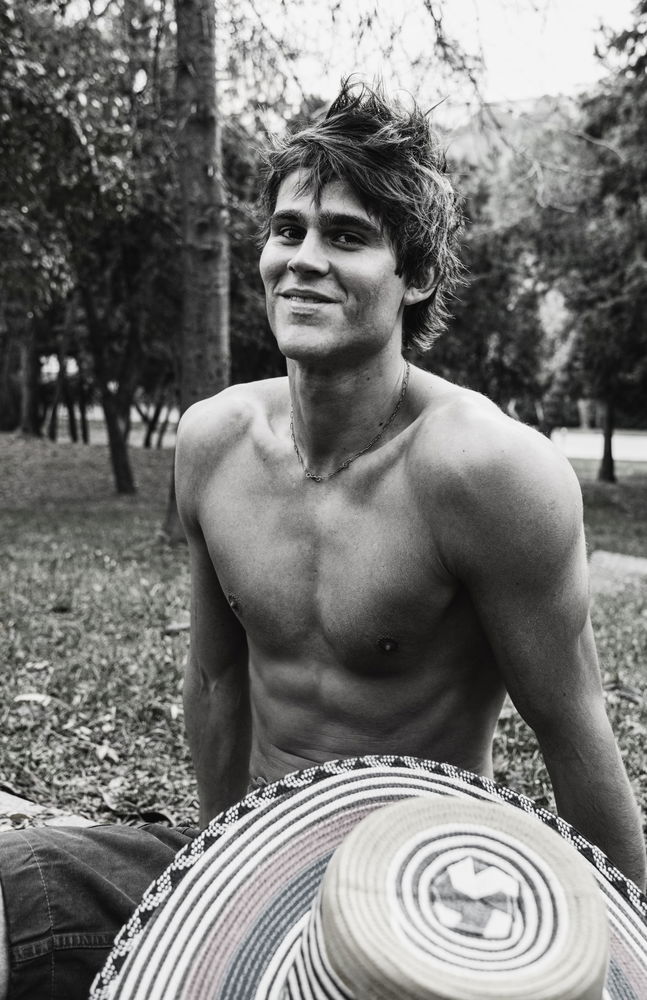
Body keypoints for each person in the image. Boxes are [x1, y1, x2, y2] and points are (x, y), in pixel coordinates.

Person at [0, 80, 644, 1000]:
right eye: (287, 230)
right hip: (252, 856)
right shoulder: (214, 441)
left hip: (416, 901)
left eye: (345, 236)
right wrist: (218, 897)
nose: (302, 259)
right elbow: (217, 684)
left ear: (415, 276)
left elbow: (574, 733)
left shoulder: (488, 472)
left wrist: (630, 958)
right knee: (17, 890)